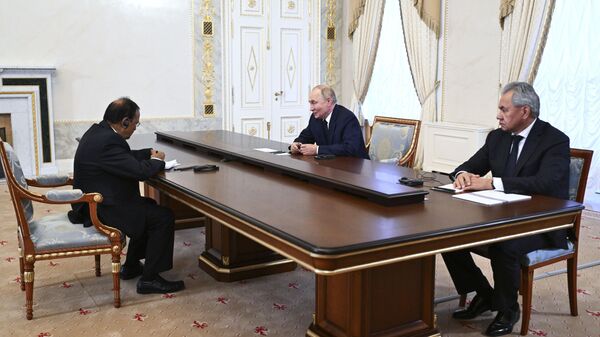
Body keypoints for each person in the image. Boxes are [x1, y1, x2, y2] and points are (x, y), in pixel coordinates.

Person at [442, 82, 570, 336]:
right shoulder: (497, 137)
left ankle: (508, 309)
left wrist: (492, 182)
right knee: (445, 236)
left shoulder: (554, 140)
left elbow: (546, 183)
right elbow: (468, 165)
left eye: (504, 109)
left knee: (505, 245)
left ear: (524, 111)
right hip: (501, 216)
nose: (498, 115)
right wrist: (463, 174)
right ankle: (484, 294)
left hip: (542, 223)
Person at [70, 97, 185, 294]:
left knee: (147, 206)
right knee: (162, 217)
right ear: (124, 121)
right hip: (101, 207)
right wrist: (157, 161)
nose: (135, 128)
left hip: (95, 201)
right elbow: (139, 172)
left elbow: (121, 158)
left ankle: (131, 266)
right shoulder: (108, 142)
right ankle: (149, 279)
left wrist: (147, 153)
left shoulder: (99, 132)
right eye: (135, 123)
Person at [290, 84, 369, 159]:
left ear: (329, 101)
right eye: (310, 103)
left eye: (314, 103)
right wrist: (296, 144)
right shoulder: (315, 118)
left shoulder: (347, 118)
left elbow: (351, 148)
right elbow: (306, 137)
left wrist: (317, 150)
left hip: (355, 167)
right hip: (330, 166)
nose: (311, 108)